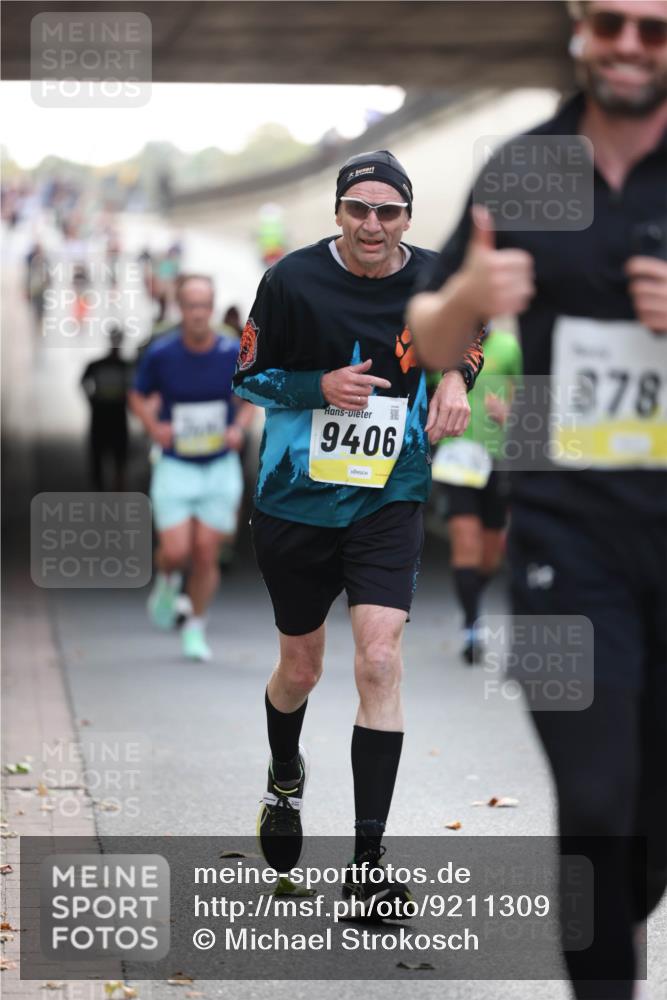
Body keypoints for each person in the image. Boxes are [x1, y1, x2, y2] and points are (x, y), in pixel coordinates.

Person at [408, 3, 667, 996]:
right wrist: (468, 297)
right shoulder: (527, 167)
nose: (630, 46)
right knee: (594, 805)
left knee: (642, 827)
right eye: (612, 23)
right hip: (566, 536)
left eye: (654, 29)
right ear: (578, 27)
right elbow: (429, 338)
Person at [233, 150, 485, 914]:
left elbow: (469, 334)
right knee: (301, 669)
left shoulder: (436, 276)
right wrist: (316, 386)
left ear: (406, 217)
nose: (372, 225)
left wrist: (453, 376)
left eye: (388, 211)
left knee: (378, 660)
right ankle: (284, 778)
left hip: (388, 496)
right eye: (358, 210)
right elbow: (246, 376)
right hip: (295, 502)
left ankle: (367, 867)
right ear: (338, 213)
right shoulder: (290, 280)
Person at [129, 274, 256, 663]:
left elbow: (250, 396)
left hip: (218, 465)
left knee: (205, 553)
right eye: (191, 306)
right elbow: (137, 395)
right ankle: (168, 579)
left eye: (204, 306)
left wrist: (238, 428)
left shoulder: (231, 351)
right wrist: (155, 427)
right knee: (176, 550)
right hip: (176, 464)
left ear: (211, 308)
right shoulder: (162, 353)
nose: (198, 313)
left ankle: (196, 627)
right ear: (180, 309)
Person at [430, 327, 522, 664]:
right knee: (465, 541)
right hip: (457, 460)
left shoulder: (509, 347)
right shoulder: (446, 343)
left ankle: (471, 600)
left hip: (497, 461)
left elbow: (531, 401)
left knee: (489, 556)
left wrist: (510, 416)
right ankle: (472, 625)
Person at [80, 326, 132, 491]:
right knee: (101, 454)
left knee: (117, 454)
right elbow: (83, 382)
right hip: (104, 414)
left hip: (113, 414)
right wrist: (92, 400)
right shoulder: (118, 366)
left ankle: (115, 487)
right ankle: (102, 488)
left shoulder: (123, 366)